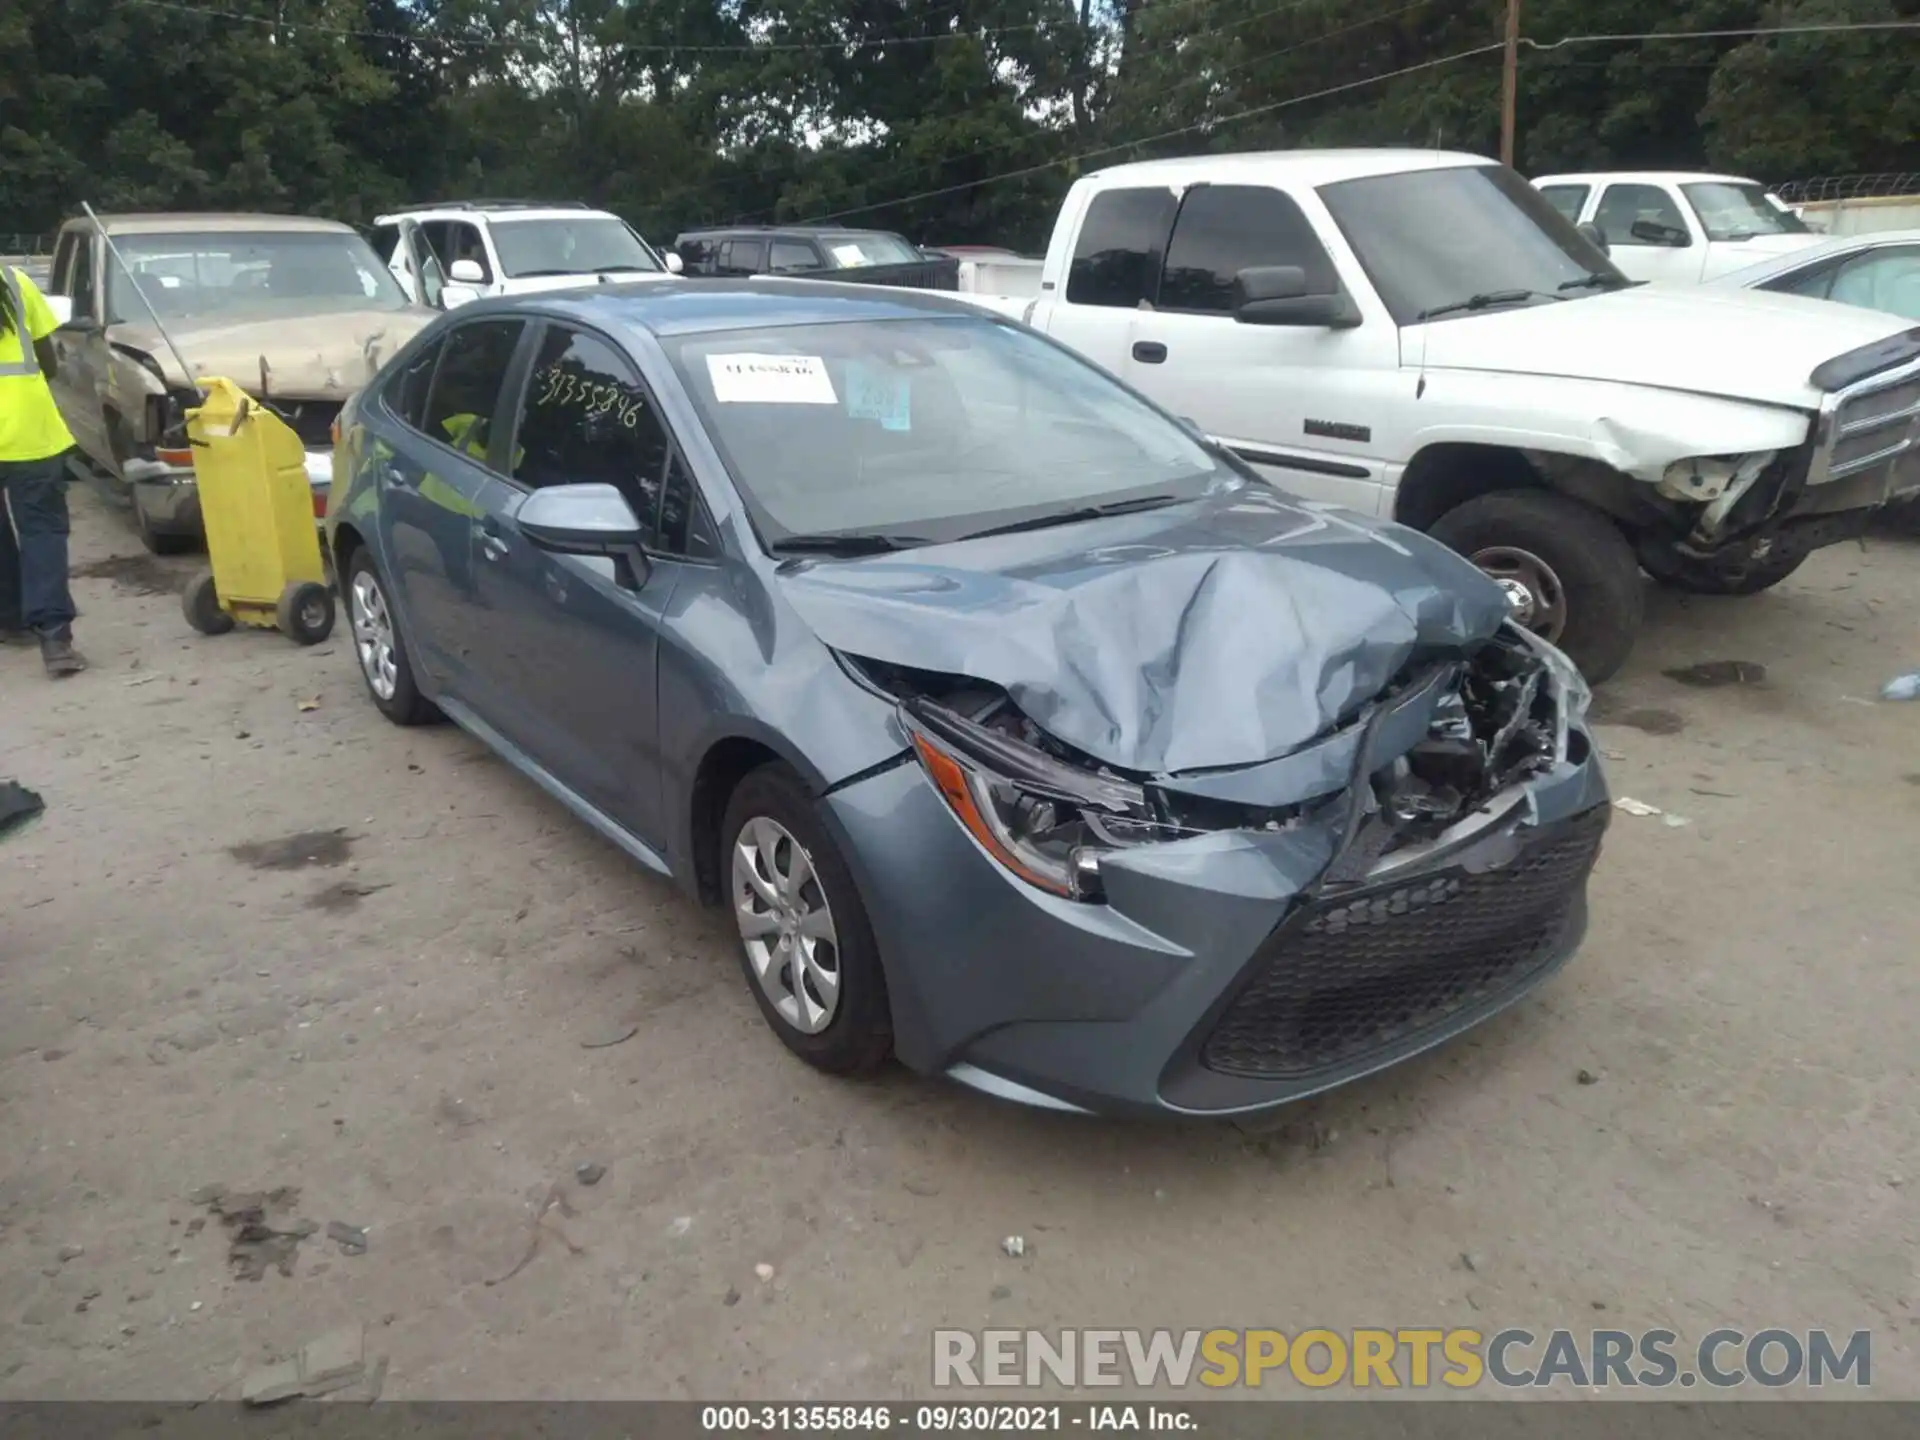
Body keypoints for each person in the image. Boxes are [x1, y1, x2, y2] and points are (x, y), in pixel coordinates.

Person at [0, 263, 86, 676]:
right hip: (28, 429)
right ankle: (55, 640)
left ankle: (13, 621)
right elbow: (47, 359)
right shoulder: (14, 281)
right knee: (42, 530)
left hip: (24, 432)